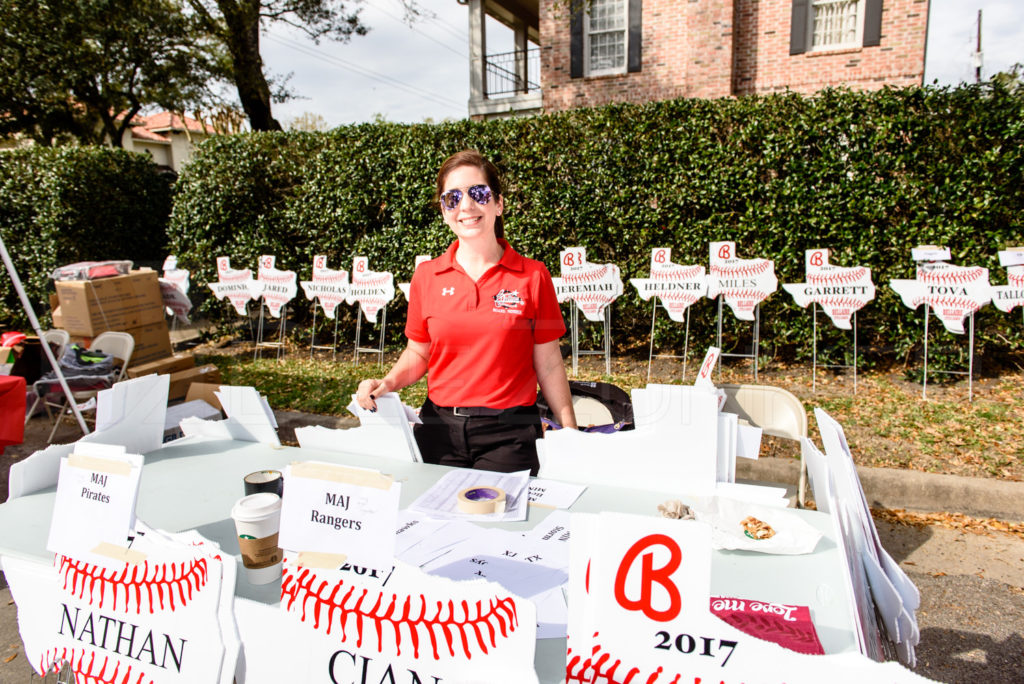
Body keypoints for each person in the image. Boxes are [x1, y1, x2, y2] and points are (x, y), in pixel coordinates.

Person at [356, 150, 576, 475]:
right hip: (438, 431)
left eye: (478, 194)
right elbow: (419, 351)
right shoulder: (426, 276)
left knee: (499, 522)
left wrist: (569, 432)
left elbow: (548, 362)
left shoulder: (533, 275)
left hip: (510, 435)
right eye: (453, 198)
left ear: (498, 204)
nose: (466, 206)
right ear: (444, 210)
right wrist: (387, 381)